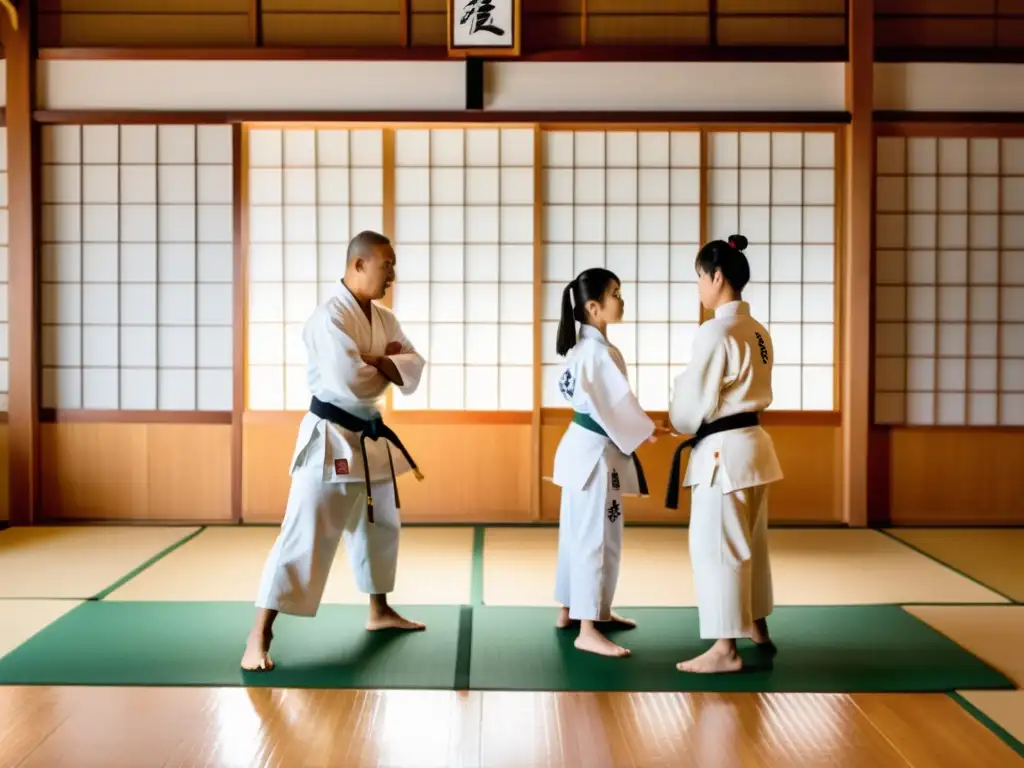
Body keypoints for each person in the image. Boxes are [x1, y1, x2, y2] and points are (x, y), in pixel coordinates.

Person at [241, 230, 427, 672]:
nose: (393, 275)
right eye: (387, 265)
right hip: (330, 437)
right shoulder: (329, 319)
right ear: (359, 264)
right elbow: (350, 380)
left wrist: (378, 360)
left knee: (379, 526)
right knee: (304, 535)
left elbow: (415, 365)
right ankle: (259, 633)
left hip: (369, 436)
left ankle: (379, 610)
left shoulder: (382, 320)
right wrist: (388, 363)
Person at [667, 234, 783, 674]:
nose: (698, 286)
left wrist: (676, 413)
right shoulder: (757, 330)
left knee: (718, 546)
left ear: (717, 277)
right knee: (752, 541)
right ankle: (758, 625)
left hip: (724, 456)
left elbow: (690, 406)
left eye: (699, 277)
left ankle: (724, 649)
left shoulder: (716, 330)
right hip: (753, 448)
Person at [550, 268, 667, 658]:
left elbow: (610, 403)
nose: (622, 299)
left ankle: (574, 610)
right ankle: (588, 628)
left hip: (581, 450)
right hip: (595, 456)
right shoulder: (597, 353)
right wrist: (648, 429)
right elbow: (615, 407)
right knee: (597, 539)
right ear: (594, 308)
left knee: (576, 535)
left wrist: (641, 426)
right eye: (615, 293)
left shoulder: (583, 350)